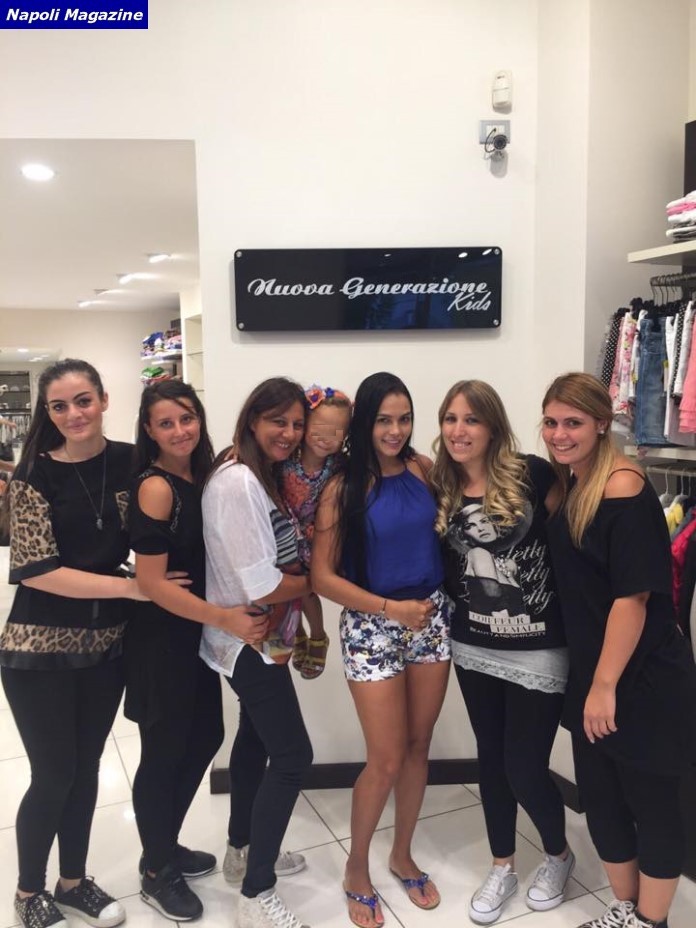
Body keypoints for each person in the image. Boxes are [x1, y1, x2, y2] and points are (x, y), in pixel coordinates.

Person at [542, 372, 696, 928]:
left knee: (652, 807)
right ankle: (628, 912)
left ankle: (651, 922)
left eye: (574, 423)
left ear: (602, 424)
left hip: (641, 678)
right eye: (551, 422)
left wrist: (604, 686)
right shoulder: (574, 485)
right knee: (603, 803)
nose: (559, 434)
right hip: (595, 672)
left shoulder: (623, 488)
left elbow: (632, 599)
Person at [0, 359, 142, 928]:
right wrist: (133, 588)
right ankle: (28, 891)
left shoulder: (132, 461)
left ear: (104, 399)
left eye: (83, 400)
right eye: (59, 406)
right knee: (54, 773)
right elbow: (37, 571)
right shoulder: (34, 475)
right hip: (39, 651)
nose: (74, 414)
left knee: (86, 771)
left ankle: (73, 882)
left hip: (106, 645)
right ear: (48, 413)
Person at [431, 380, 574, 925]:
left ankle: (558, 855)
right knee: (491, 758)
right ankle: (503, 865)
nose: (459, 430)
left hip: (538, 645)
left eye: (471, 419)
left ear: (493, 427)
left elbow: (576, 538)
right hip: (473, 645)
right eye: (450, 419)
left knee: (524, 766)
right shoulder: (440, 486)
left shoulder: (533, 474)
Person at [312, 371, 451, 928]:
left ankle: (402, 855)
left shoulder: (422, 470)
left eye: (405, 418)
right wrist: (391, 610)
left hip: (431, 620)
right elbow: (322, 578)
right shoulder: (342, 487)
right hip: (374, 627)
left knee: (418, 746)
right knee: (386, 758)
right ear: (364, 423)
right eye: (384, 420)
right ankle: (356, 867)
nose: (396, 430)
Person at [127, 380, 269, 921]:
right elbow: (152, 583)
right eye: (166, 423)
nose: (180, 430)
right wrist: (225, 617)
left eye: (186, 418)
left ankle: (162, 845)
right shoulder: (156, 486)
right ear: (149, 430)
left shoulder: (205, 474)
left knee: (206, 735)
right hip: (161, 639)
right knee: (163, 752)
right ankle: (155, 870)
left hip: (195, 636)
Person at [199, 377, 313, 928]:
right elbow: (264, 584)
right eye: (277, 421)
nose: (288, 433)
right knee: (293, 757)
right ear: (252, 420)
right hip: (247, 640)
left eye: (297, 424)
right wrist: (321, 582)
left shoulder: (254, 474)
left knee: (255, 738)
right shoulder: (239, 481)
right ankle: (256, 892)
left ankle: (241, 852)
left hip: (258, 638)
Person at [280, 383, 351, 679]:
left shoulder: (339, 466)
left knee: (308, 588)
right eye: (318, 429)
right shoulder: (284, 457)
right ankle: (295, 632)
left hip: (313, 540)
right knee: (282, 589)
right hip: (283, 538)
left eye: (336, 432)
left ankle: (318, 635)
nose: (325, 438)